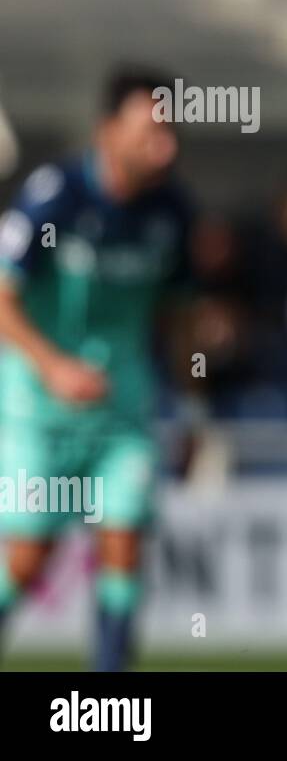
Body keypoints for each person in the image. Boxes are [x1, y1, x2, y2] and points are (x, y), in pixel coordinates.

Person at [0, 68, 195, 670]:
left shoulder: (174, 211)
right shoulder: (53, 196)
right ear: (107, 131)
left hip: (122, 412)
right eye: (149, 131)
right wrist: (54, 367)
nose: (164, 146)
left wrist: (188, 407)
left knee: (124, 546)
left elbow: (177, 316)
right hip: (38, 409)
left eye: (169, 131)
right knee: (28, 558)